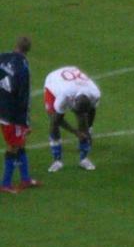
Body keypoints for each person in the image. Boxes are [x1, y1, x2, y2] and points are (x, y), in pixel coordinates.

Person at [0, 36, 40, 193]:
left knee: (20, 142)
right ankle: (5, 183)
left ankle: (25, 179)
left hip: (2, 107)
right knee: (14, 146)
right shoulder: (23, 67)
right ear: (28, 51)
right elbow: (23, 97)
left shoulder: (3, 56)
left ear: (16, 46)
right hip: (11, 114)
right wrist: (26, 123)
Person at [44, 66, 101, 172]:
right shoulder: (64, 95)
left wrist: (89, 130)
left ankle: (84, 159)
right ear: (73, 102)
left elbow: (92, 111)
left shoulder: (95, 93)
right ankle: (57, 160)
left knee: (83, 123)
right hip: (53, 83)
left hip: (74, 86)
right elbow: (57, 120)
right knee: (53, 125)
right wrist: (75, 132)